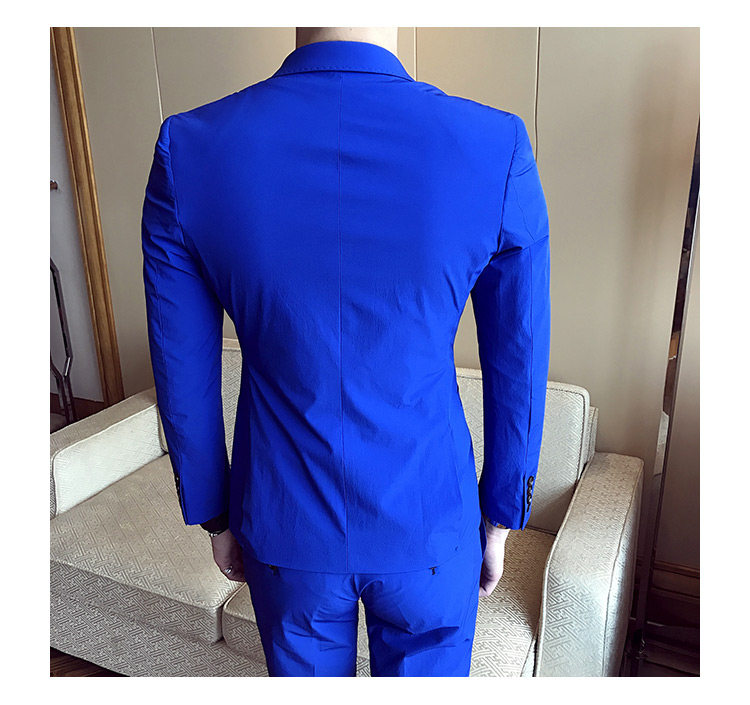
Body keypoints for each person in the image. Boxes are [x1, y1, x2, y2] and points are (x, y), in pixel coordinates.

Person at [141, 26, 551, 677]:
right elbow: (519, 358)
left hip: (285, 522)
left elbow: (180, 365)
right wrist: (501, 514)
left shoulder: (190, 147)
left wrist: (215, 512)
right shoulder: (494, 145)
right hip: (430, 522)